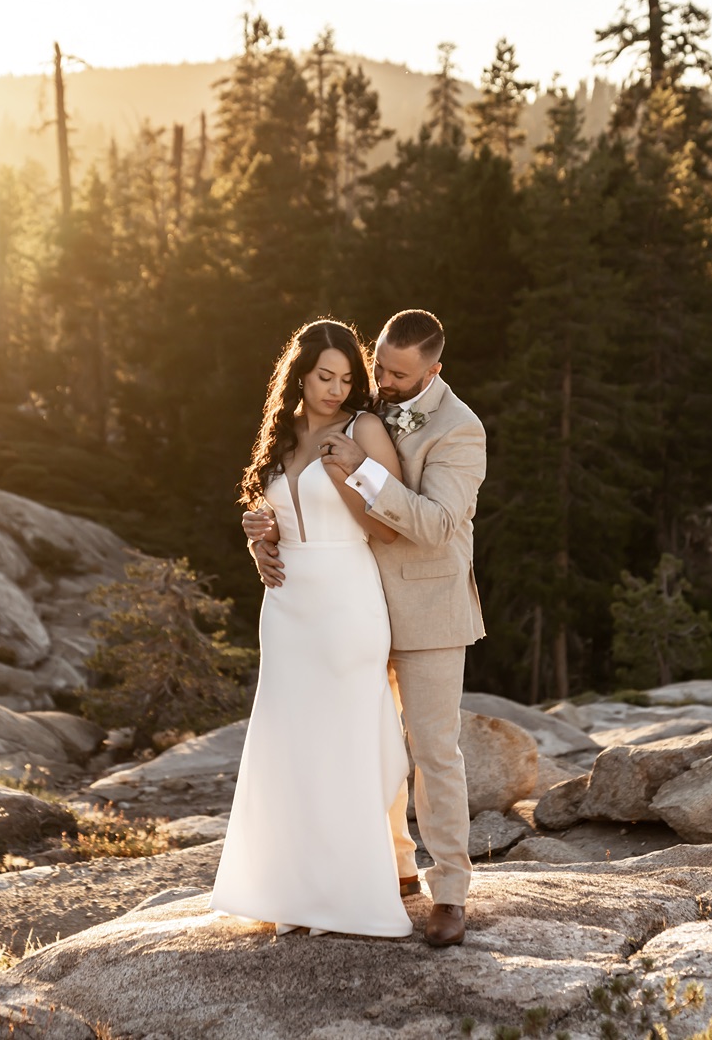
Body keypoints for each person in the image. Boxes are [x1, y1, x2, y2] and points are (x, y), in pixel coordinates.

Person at [246, 309, 486, 948]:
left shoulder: (461, 430)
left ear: (434, 370)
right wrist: (269, 536)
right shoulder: (359, 407)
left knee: (433, 751)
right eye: (376, 365)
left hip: (426, 608)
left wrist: (361, 467)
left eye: (395, 373)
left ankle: (451, 893)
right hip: (347, 601)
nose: (378, 381)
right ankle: (395, 866)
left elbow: (435, 524)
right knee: (366, 740)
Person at [210, 318, 414, 939]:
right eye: (325, 376)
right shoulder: (282, 434)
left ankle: (347, 893)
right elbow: (274, 512)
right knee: (291, 745)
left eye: (347, 378)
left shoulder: (364, 430)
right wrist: (260, 532)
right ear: (299, 375)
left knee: (344, 742)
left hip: (349, 602)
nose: (335, 389)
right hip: (288, 606)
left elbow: (390, 525)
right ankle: (289, 892)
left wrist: (348, 475)